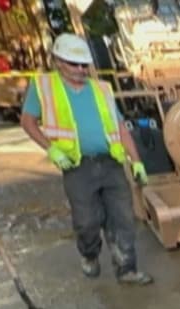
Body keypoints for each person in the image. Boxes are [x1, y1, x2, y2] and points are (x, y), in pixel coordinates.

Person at [19, 33, 152, 284]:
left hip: (110, 162)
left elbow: (120, 126)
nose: (81, 70)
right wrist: (51, 149)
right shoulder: (44, 87)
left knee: (123, 217)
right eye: (74, 64)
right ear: (58, 61)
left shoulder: (101, 89)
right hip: (77, 166)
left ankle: (127, 269)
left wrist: (136, 161)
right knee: (87, 221)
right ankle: (89, 253)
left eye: (84, 65)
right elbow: (28, 122)